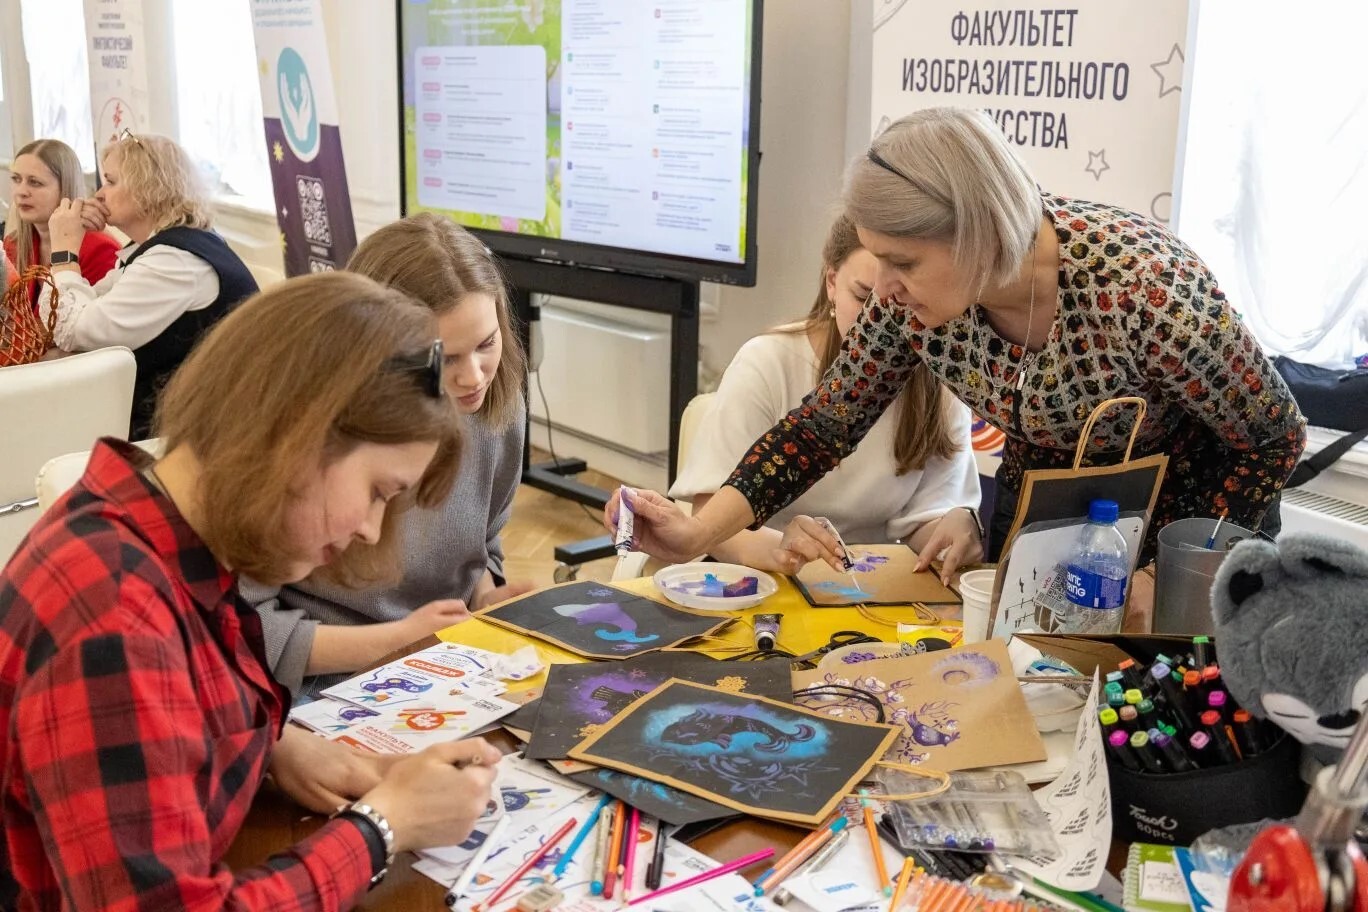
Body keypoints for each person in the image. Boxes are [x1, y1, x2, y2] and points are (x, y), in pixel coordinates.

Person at [609, 106, 1306, 576]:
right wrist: (697, 535)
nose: (885, 288)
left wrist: (1171, 571)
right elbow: (823, 427)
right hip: (1057, 521)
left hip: (1193, 525)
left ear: (978, 234)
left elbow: (1273, 436)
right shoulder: (918, 305)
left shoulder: (1145, 289)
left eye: (903, 263)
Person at [0, 272, 500, 910]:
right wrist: (383, 826)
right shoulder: (115, 621)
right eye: (378, 492)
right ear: (294, 438)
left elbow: (184, 699)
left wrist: (273, 746)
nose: (371, 530)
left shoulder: (157, 532)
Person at [248, 213, 531, 698]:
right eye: (444, 358)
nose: (474, 377)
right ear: (375, 352)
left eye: (487, 344)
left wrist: (487, 601)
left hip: (444, 659)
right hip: (315, 683)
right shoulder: (302, 435)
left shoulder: (496, 407)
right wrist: (398, 642)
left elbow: (481, 543)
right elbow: (241, 630)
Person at [669, 215, 982, 578]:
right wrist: (782, 550)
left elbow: (926, 520)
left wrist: (953, 530)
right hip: (765, 577)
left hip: (870, 586)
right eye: (864, 297)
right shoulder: (768, 362)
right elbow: (710, 518)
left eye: (903, 300)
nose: (881, 323)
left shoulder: (940, 378)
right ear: (831, 282)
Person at [43, 132, 258, 438]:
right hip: (173, 413)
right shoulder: (156, 249)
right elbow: (65, 321)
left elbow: (76, 331)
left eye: (111, 182)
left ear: (148, 188)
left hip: (202, 429)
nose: (99, 195)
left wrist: (64, 251)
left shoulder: (175, 261)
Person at [4, 139, 120, 298]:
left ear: (65, 187)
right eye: (16, 179)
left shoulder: (100, 250)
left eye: (35, 182)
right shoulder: (13, 245)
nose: (21, 191)